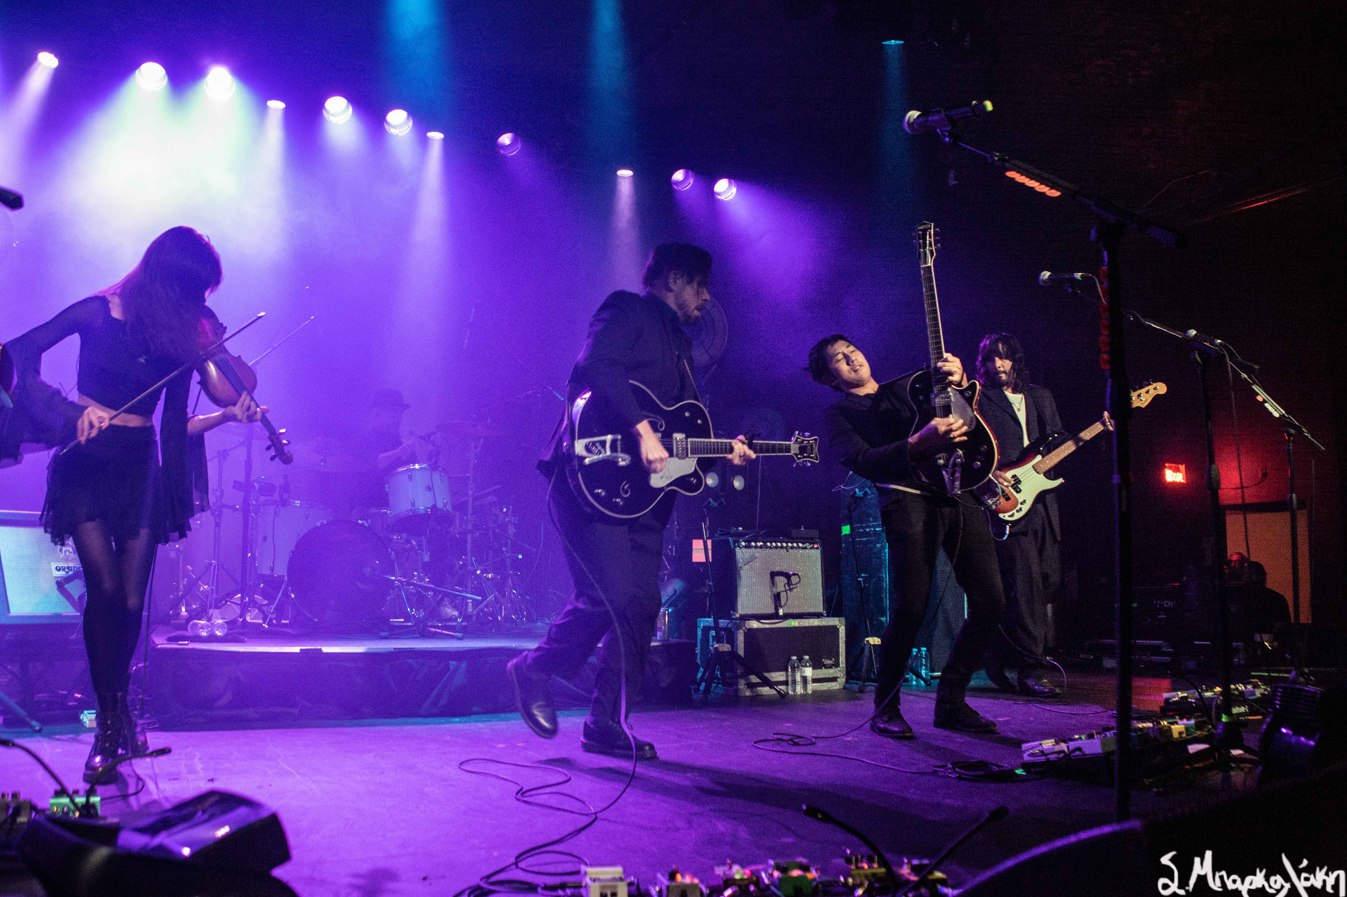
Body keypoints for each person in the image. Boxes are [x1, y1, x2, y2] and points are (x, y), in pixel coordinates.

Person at [5, 227, 263, 783]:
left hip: (140, 467)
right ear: (169, 279)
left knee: (129, 600)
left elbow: (223, 390)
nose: (199, 305)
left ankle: (119, 711)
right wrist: (66, 413)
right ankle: (108, 724)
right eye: (193, 292)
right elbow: (18, 352)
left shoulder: (178, 333)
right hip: (87, 461)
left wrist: (222, 376)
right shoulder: (99, 313)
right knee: (103, 589)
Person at [508, 243, 754, 760]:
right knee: (609, 595)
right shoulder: (627, 310)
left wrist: (720, 451)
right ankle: (535, 667)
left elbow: (677, 436)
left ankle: (605, 724)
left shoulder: (681, 347)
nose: (707, 299)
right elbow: (595, 367)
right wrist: (642, 433)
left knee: (641, 605)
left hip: (643, 499)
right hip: (589, 477)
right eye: (701, 285)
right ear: (674, 279)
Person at [808, 334, 1005, 738]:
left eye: (852, 350)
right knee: (911, 608)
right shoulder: (839, 414)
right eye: (839, 360)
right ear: (830, 378)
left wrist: (958, 381)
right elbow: (863, 460)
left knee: (992, 602)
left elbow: (961, 417)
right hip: (906, 500)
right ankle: (886, 707)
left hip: (958, 493)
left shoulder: (909, 386)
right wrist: (917, 442)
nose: (851, 359)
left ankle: (951, 701)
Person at [975, 333, 1063, 698]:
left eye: (1004, 357)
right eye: (991, 358)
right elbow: (969, 446)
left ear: (1016, 360)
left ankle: (995, 651)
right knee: (1027, 590)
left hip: (1043, 502)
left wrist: (1099, 431)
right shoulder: (980, 399)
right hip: (1008, 500)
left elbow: (1057, 442)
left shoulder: (1041, 397)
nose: (998, 364)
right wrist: (988, 474)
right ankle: (1032, 671)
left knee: (1049, 580)